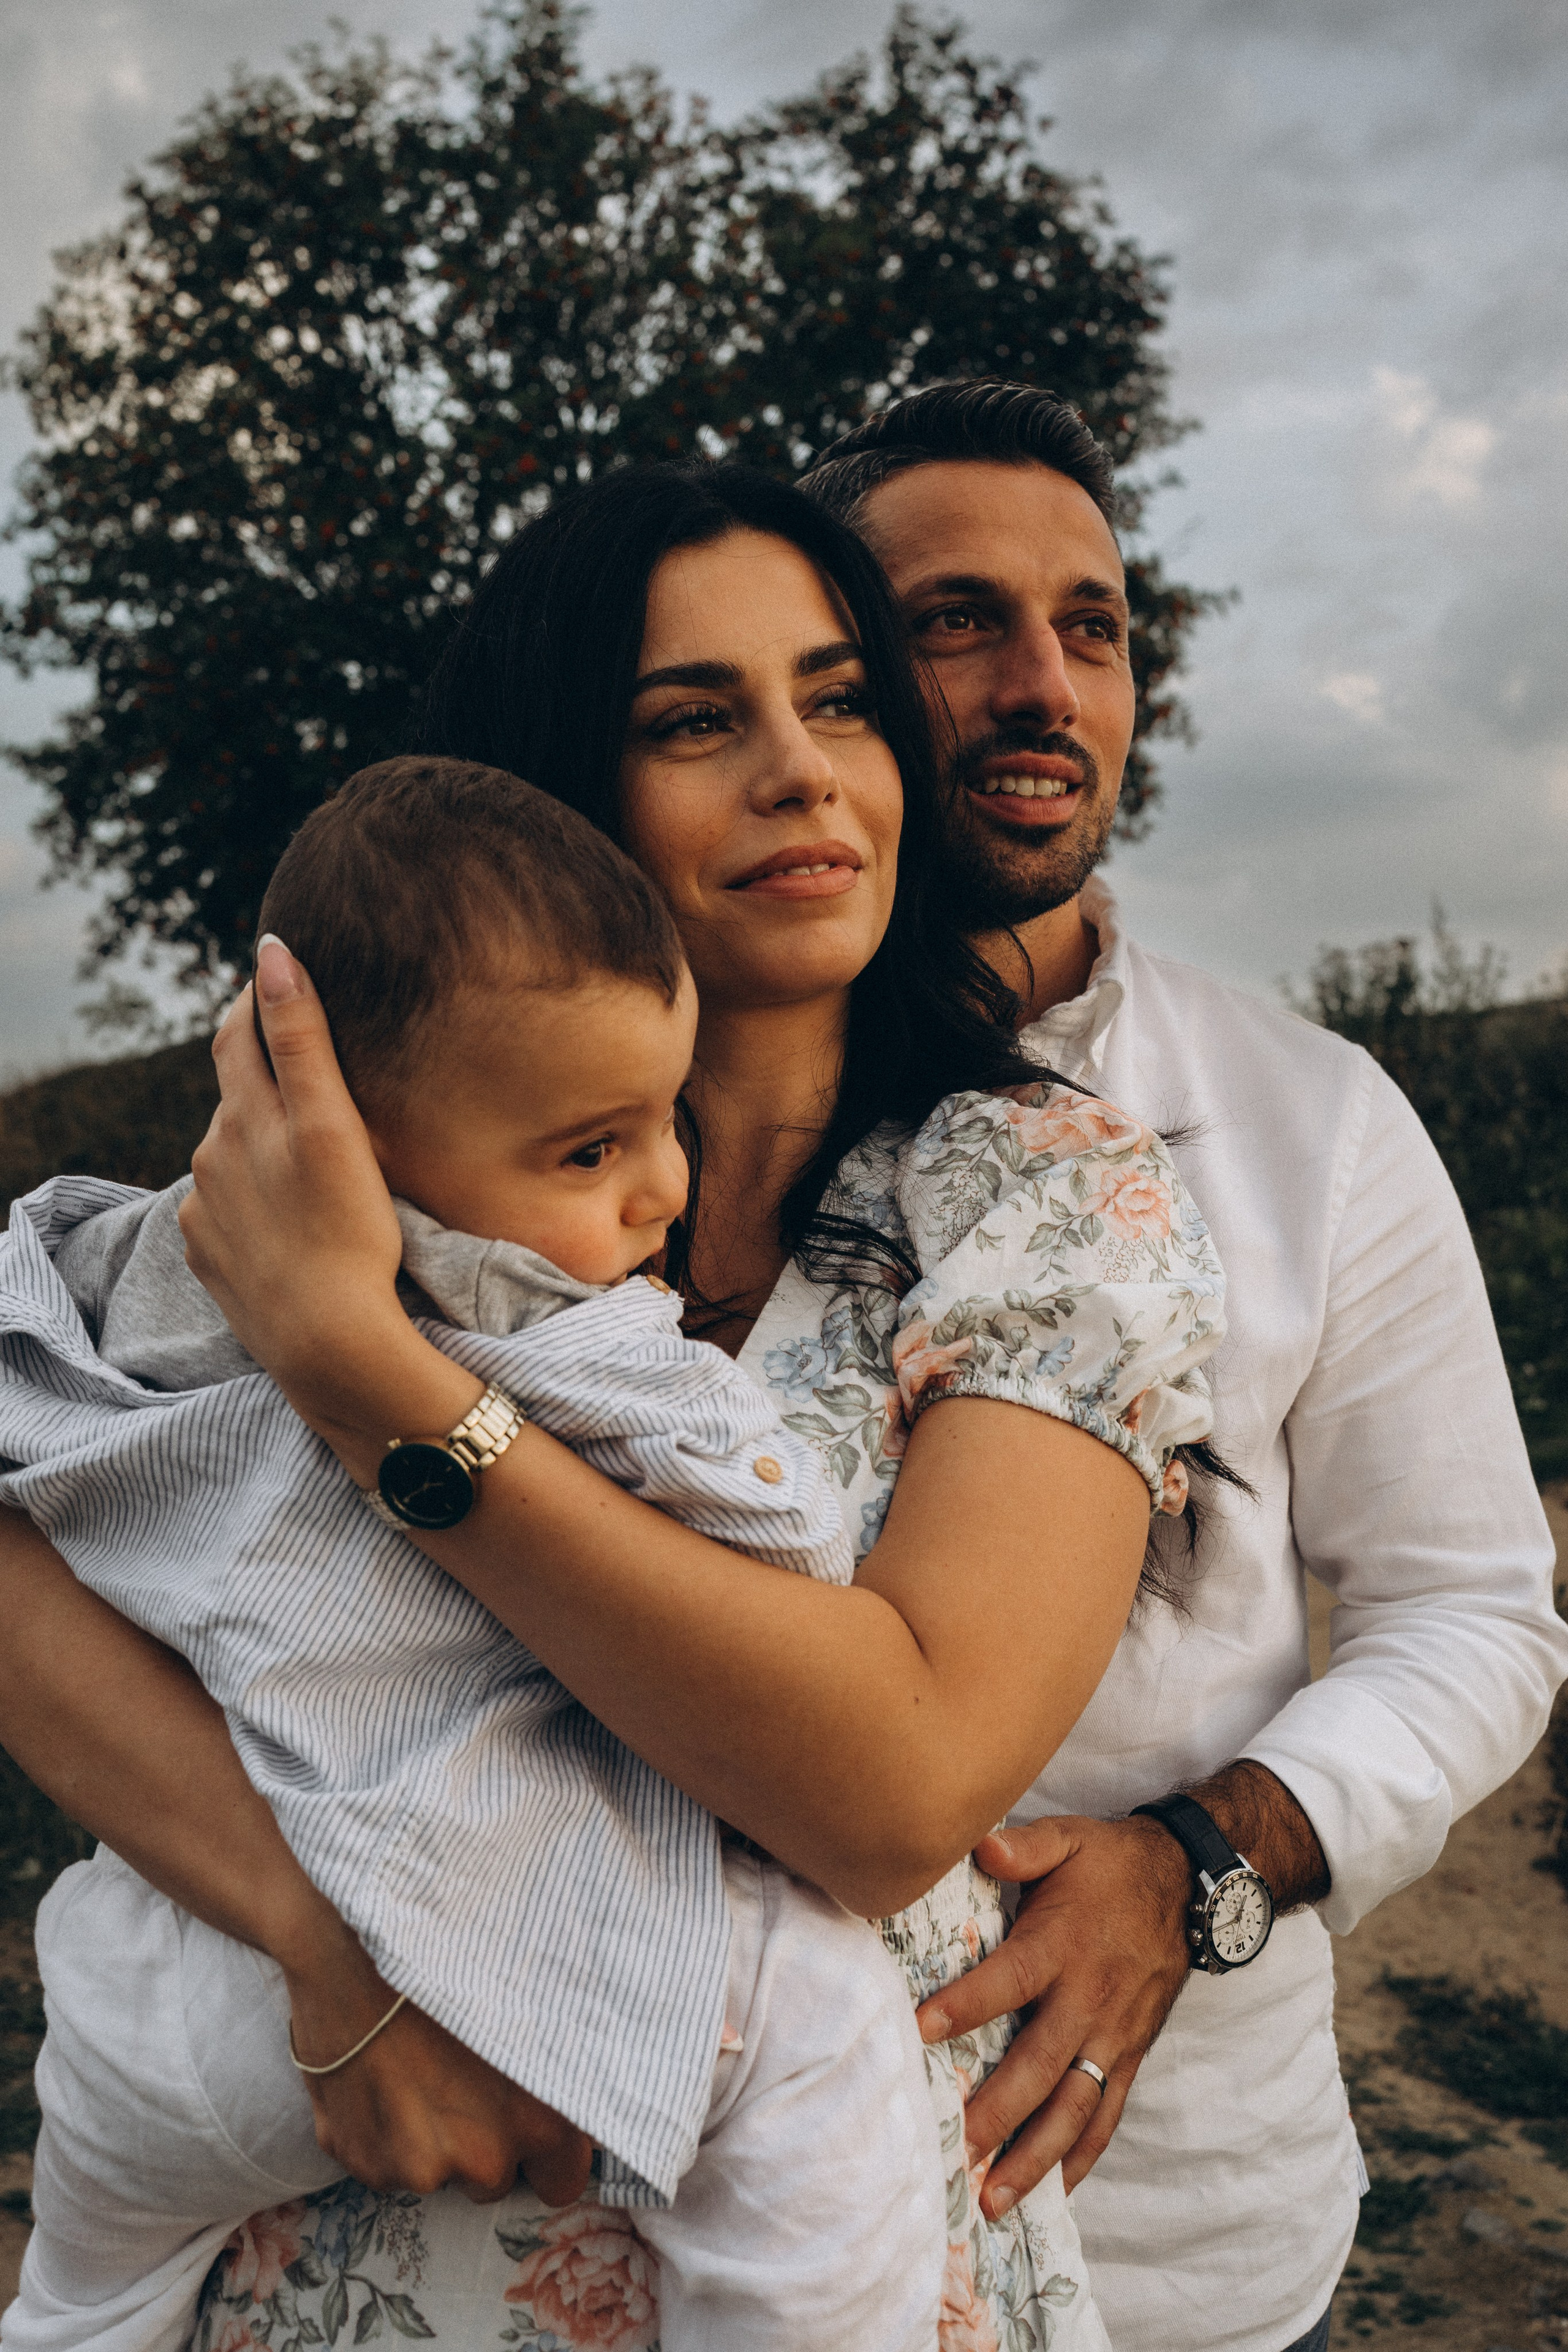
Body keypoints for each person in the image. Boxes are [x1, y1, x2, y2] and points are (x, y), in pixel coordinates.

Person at [0, 462, 1223, 2352]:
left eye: (841, 703)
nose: (805, 769)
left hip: (803, 2253)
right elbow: (39, 1551)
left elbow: (891, 1785)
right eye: (692, 720)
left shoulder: (1041, 1191)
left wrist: (370, 1379)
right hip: (365, 2207)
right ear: (547, 784)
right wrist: (342, 1966)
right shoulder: (348, 1180)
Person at [796, 377, 1568, 2352]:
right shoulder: (646, 1104)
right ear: (834, 671)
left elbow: (1475, 1610)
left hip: (1179, 2237)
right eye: (957, 618)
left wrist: (1198, 1864)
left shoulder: (1311, 1119)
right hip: (707, 2222)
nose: (1047, 681)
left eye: (1097, 625)